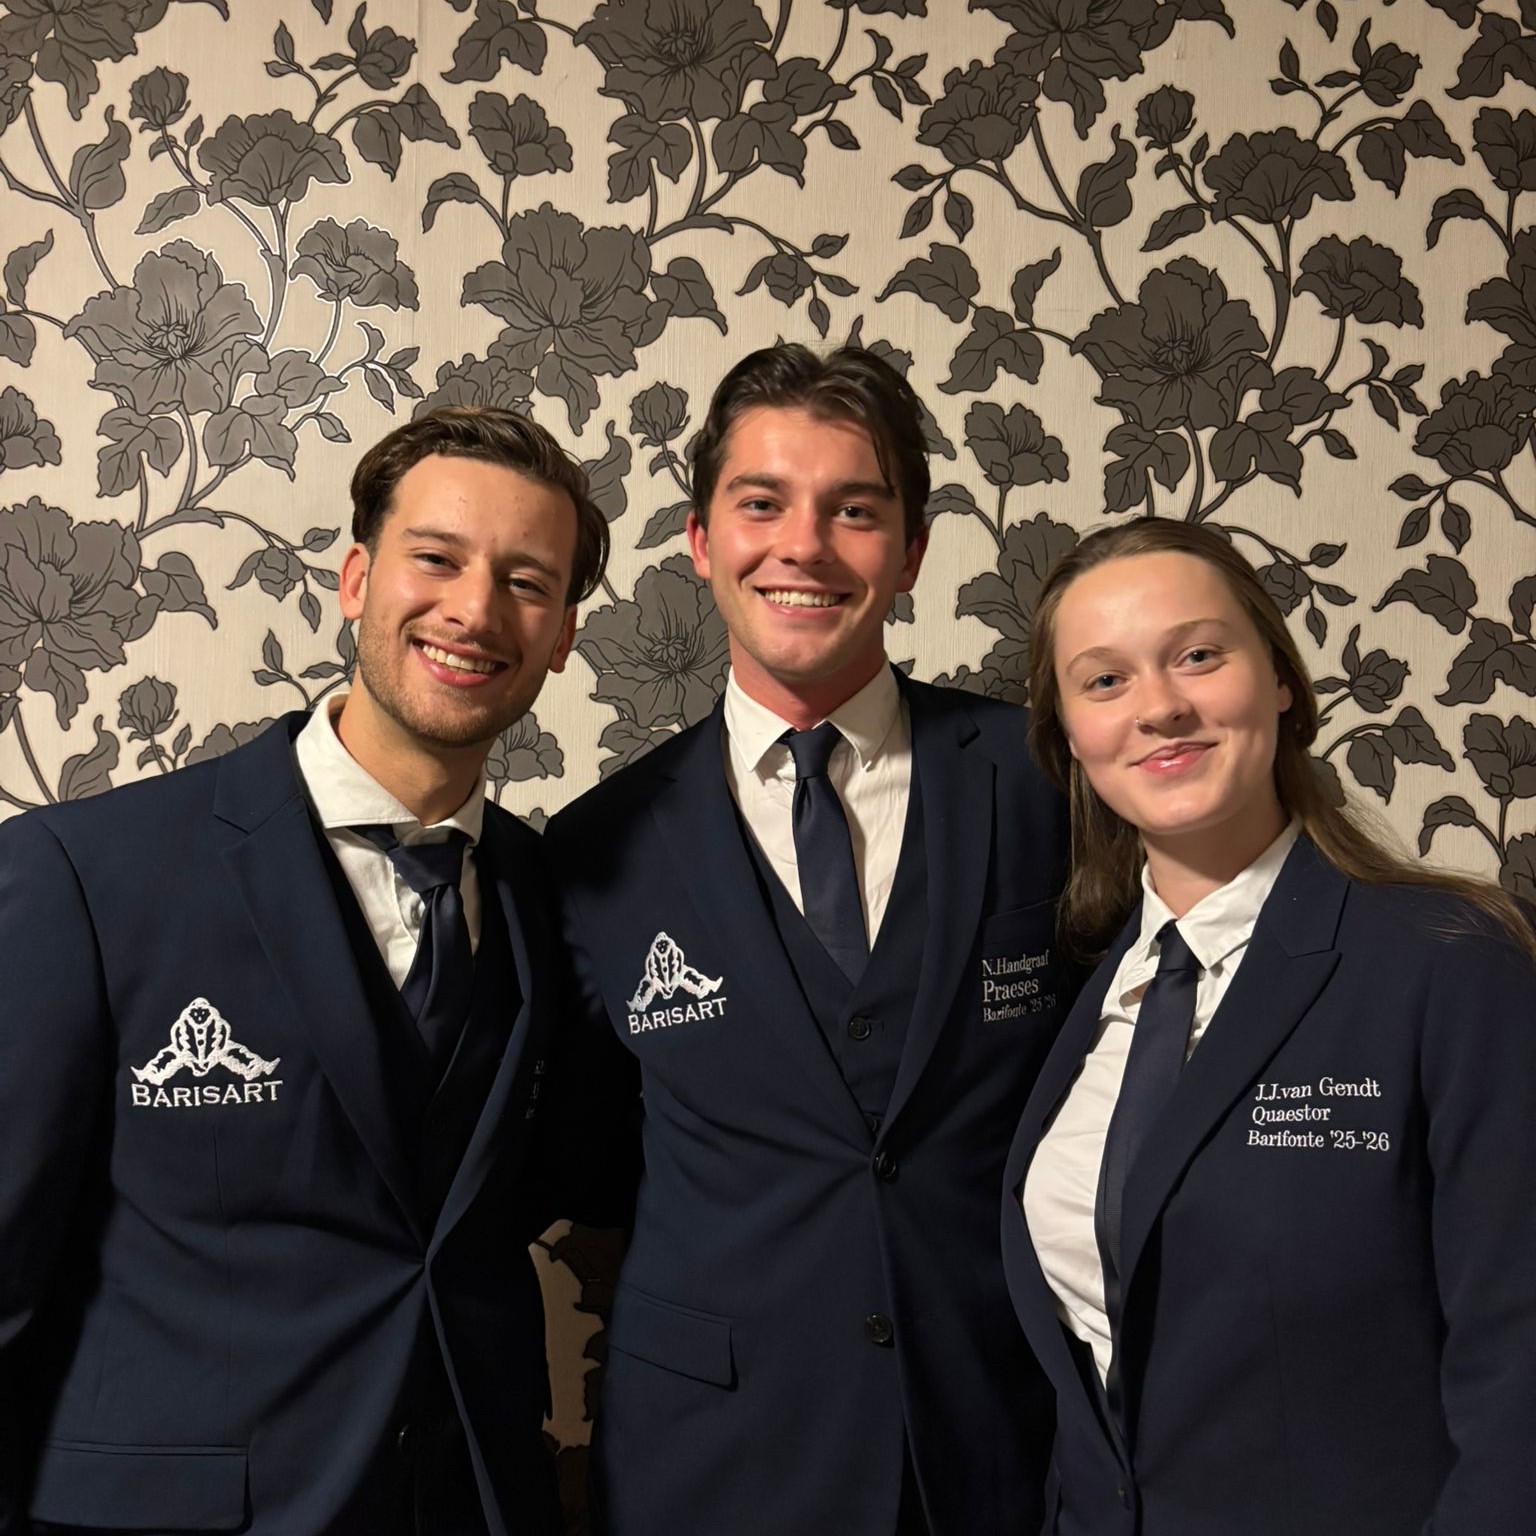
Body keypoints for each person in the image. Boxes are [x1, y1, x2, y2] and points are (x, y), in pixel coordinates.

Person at [0, 406, 610, 1536]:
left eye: (527, 582)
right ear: (357, 580)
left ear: (563, 633)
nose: (475, 611)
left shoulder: (553, 891)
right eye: (438, 559)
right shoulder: (84, 876)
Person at [544, 344, 1071, 1536]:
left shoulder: (1046, 786)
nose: (806, 546)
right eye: (762, 504)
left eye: (855, 511)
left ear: (913, 552)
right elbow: (588, 1165)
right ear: (700, 541)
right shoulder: (594, 853)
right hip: (712, 1460)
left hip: (996, 1436)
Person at [1002, 516, 1536, 1536]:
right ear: (1069, 737)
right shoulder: (1085, 998)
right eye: (1105, 680)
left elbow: (1521, 1382)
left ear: (1280, 680)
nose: (1160, 707)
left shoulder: (1452, 965)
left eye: (1199, 656)